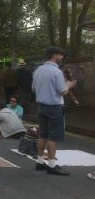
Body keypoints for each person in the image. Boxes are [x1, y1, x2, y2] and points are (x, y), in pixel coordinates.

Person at [32, 46, 76, 176]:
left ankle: (40, 162)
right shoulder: (56, 72)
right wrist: (69, 85)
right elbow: (63, 91)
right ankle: (52, 165)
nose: (62, 58)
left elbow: (34, 89)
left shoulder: (38, 70)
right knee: (53, 136)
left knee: (42, 134)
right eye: (61, 55)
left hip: (41, 106)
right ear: (55, 55)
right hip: (54, 107)